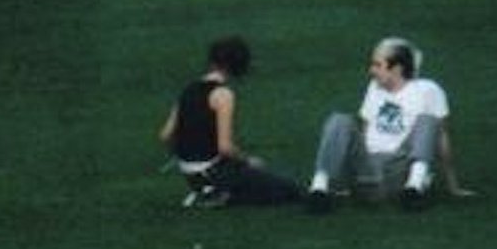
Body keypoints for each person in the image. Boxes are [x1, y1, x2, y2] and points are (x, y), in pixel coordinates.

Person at [307, 37, 474, 213]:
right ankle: (319, 190)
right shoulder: (374, 88)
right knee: (339, 120)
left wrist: (453, 185)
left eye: (378, 65)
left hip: (398, 170)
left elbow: (441, 137)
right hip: (368, 173)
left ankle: (413, 189)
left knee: (427, 120)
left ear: (397, 69)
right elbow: (365, 132)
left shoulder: (428, 90)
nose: (371, 70)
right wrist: (350, 176)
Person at [159, 36, 301, 207]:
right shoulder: (223, 95)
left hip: (191, 174)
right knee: (287, 189)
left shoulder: (188, 89)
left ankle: (206, 191)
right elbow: (225, 147)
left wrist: (184, 157)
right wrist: (248, 160)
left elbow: (165, 135)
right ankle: (218, 195)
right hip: (215, 171)